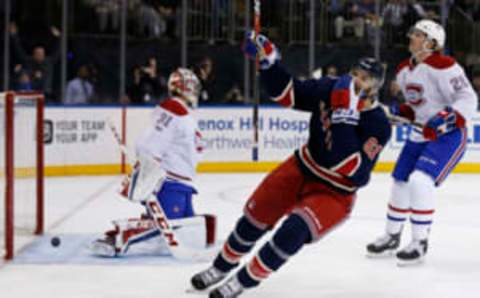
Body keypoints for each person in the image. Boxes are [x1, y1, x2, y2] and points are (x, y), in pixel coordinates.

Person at [189, 32, 392, 298]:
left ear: (375, 87)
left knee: (292, 232)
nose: (357, 82)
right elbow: (289, 94)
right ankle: (220, 267)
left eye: (365, 79)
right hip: (302, 167)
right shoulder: (332, 88)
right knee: (255, 217)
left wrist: (345, 116)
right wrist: (270, 64)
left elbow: (349, 167)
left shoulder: (378, 125)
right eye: (355, 74)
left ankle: (243, 281)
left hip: (334, 192)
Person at [366, 19, 478, 265]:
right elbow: (415, 107)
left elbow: (468, 100)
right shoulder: (405, 69)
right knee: (400, 181)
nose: (411, 38)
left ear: (431, 42)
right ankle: (392, 235)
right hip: (420, 134)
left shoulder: (446, 66)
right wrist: (398, 113)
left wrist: (444, 119)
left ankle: (419, 241)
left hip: (448, 136)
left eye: (417, 34)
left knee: (420, 180)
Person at [91, 68, 216, 257]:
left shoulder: (182, 112)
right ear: (182, 88)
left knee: (191, 231)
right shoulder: (173, 109)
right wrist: (148, 171)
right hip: (169, 183)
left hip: (182, 186)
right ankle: (119, 236)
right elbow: (148, 144)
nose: (195, 91)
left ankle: (144, 224)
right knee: (168, 231)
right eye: (192, 87)